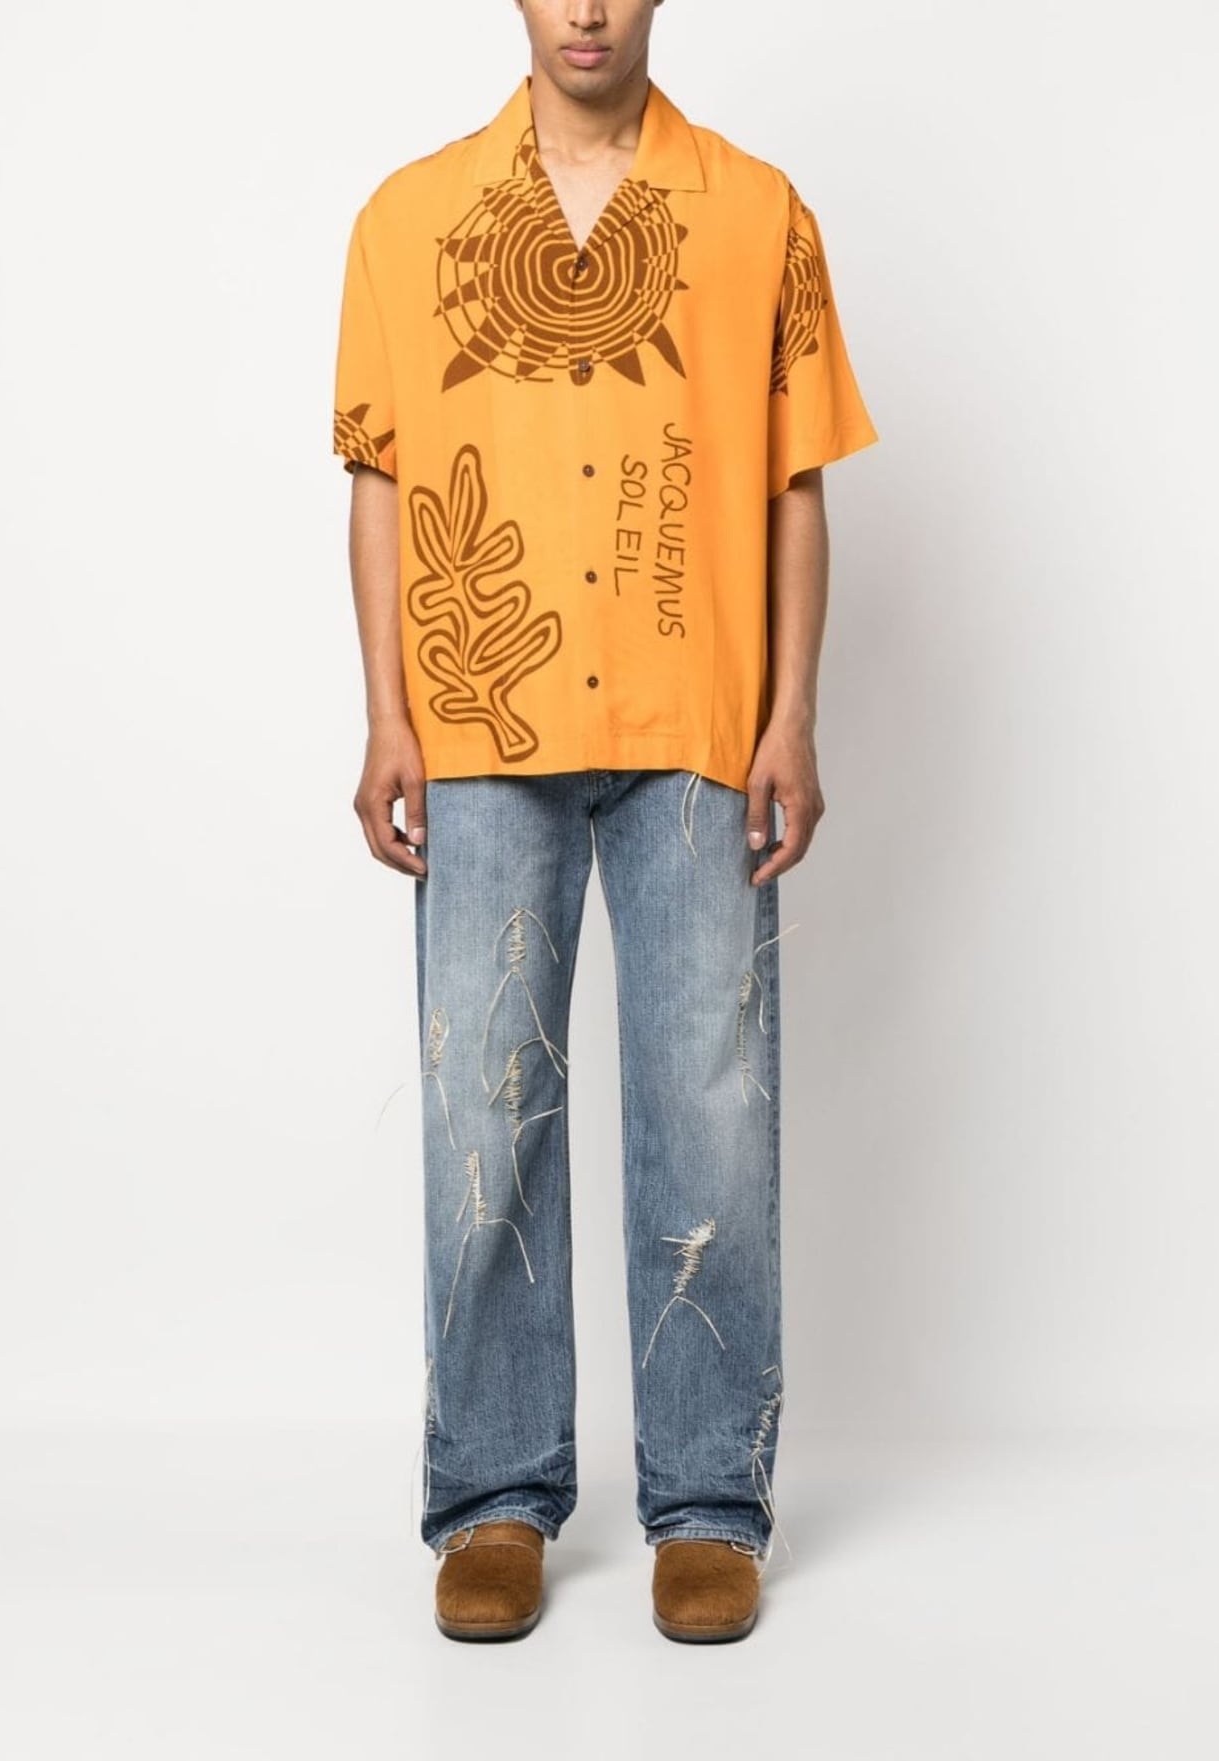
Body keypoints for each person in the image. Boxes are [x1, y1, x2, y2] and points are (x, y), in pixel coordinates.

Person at [331, 0, 878, 1644]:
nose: (586, 10)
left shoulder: (759, 214)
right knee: (483, 1108)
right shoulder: (410, 219)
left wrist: (792, 713)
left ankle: (708, 1503)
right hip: (481, 714)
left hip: (695, 712)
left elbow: (794, 483)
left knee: (708, 1101)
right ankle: (494, 1495)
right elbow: (381, 479)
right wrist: (386, 713)